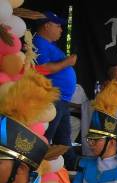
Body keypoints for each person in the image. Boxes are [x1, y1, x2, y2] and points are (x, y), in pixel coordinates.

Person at [32, 11, 78, 168]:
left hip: (61, 100)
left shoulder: (50, 45)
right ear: (46, 25)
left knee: (63, 141)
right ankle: (34, 169)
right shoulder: (38, 42)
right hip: (51, 98)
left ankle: (71, 169)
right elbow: (41, 69)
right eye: (58, 26)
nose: (61, 30)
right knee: (45, 137)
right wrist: (67, 62)